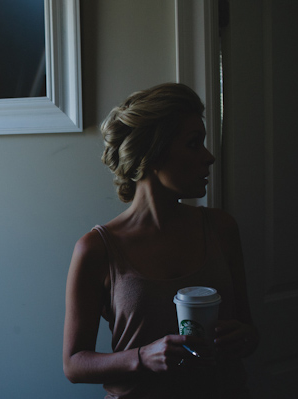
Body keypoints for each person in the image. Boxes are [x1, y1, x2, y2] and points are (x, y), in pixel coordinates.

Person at [62, 83, 259, 398]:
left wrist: (244, 338)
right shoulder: (98, 248)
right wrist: (142, 357)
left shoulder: (222, 229)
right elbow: (74, 365)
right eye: (194, 144)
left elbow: (248, 331)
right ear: (153, 152)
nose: (209, 157)